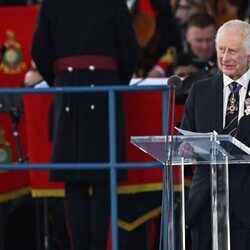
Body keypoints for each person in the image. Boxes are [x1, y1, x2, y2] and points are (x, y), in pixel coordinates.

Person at [31, 1, 139, 250]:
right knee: (102, 174)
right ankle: (98, 245)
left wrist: (60, 79)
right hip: (105, 88)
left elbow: (39, 50)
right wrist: (117, 81)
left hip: (67, 87)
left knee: (74, 175)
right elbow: (129, 48)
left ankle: (79, 246)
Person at [180, 19, 250, 249]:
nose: (224, 57)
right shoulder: (199, 90)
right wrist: (186, 147)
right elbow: (186, 139)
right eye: (221, 49)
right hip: (205, 203)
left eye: (233, 51)